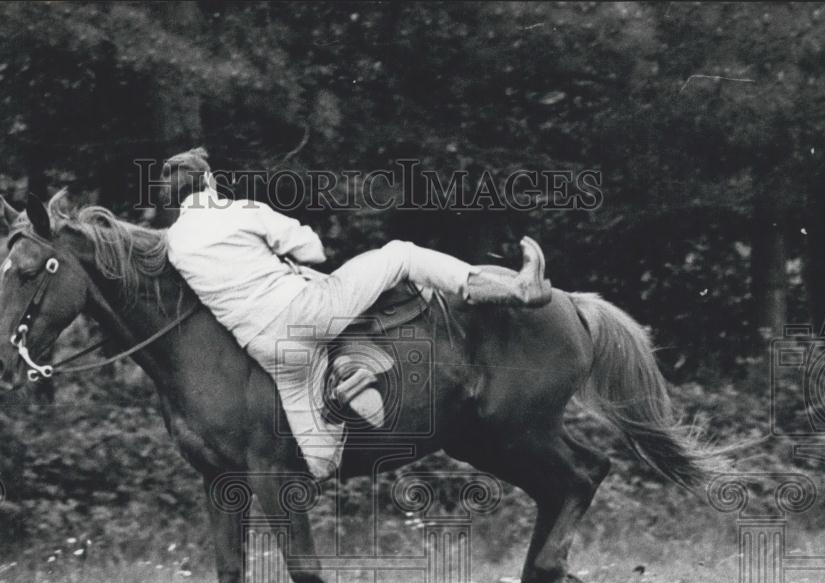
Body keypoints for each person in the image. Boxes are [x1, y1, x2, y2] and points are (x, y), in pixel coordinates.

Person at [164, 148, 552, 480]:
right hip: (307, 313)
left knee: (320, 461)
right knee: (401, 254)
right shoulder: (240, 211)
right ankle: (517, 289)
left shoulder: (175, 244)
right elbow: (312, 252)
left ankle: (341, 387)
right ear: (210, 181)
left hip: (268, 348)